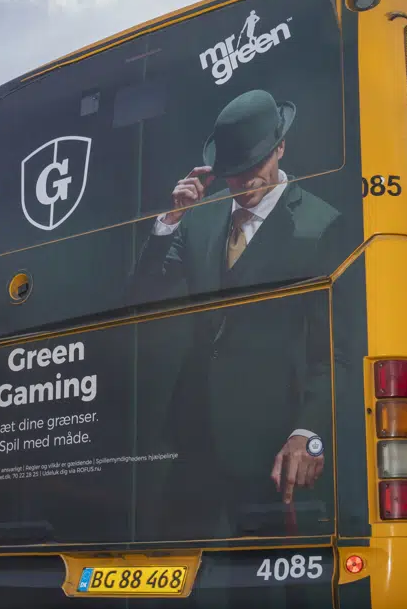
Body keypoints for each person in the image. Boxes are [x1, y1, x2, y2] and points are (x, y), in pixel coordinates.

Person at [130, 88, 338, 537]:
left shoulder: (319, 226)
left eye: (253, 167)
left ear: (280, 149)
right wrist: (171, 220)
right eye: (233, 173)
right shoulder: (199, 219)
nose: (243, 183)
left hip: (273, 449)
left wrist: (307, 432)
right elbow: (145, 292)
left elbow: (333, 352)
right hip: (193, 439)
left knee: (264, 567)